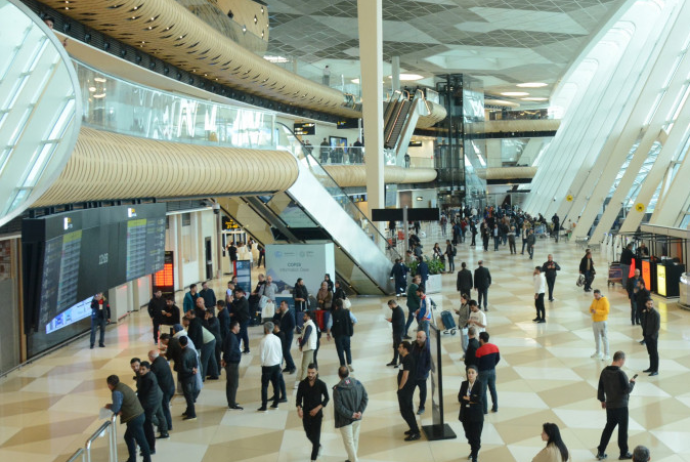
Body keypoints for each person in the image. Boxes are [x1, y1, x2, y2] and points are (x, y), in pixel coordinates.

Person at [596, 351, 636, 461]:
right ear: (621, 360)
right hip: (621, 407)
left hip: (610, 405)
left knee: (608, 428)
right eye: (624, 360)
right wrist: (632, 382)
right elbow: (627, 389)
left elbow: (600, 387)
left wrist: (603, 400)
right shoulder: (620, 373)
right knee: (622, 430)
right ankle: (623, 453)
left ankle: (601, 451)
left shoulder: (604, 371)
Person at [105, 375, 151, 462]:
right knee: (128, 437)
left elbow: (115, 408)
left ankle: (147, 459)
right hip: (140, 414)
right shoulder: (122, 386)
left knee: (141, 440)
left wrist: (109, 406)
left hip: (134, 418)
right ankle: (132, 458)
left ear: (109, 385)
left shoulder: (116, 392)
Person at [333, 366, 368, 462]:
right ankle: (351, 458)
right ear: (348, 373)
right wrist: (359, 412)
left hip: (345, 420)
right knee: (354, 439)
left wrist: (351, 414)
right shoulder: (358, 384)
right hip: (357, 417)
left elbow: (339, 407)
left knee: (349, 442)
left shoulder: (337, 389)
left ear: (339, 376)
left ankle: (353, 460)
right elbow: (365, 398)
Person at [296, 363, 330, 462]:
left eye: (312, 373)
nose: (310, 375)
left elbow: (326, 398)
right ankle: (318, 445)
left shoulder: (321, 384)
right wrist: (299, 409)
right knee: (308, 434)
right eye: (309, 372)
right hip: (306, 414)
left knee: (316, 437)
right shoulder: (302, 384)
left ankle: (313, 458)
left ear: (316, 372)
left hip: (317, 415)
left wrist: (318, 408)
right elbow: (298, 399)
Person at [136, 361, 164, 454]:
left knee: (147, 427)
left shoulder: (147, 379)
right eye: (140, 369)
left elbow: (143, 393)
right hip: (150, 404)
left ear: (148, 369)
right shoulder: (149, 376)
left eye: (143, 369)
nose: (141, 371)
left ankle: (150, 448)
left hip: (148, 406)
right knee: (147, 427)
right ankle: (149, 446)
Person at [458, 365, 484, 462]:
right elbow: (460, 398)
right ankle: (475, 448)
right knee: (468, 435)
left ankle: (475, 455)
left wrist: (467, 398)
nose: (470, 374)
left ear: (476, 374)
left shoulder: (480, 384)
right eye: (469, 372)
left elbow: (479, 399)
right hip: (466, 415)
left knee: (475, 437)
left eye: (473, 372)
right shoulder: (464, 384)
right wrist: (472, 399)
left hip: (477, 416)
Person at [396, 341, 420, 441]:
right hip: (407, 388)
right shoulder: (406, 358)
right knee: (407, 409)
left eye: (400, 347)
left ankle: (415, 432)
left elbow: (405, 375)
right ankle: (413, 428)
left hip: (406, 389)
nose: (398, 348)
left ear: (405, 348)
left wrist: (400, 388)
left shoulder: (407, 359)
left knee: (405, 410)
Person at [147, 349, 173, 436]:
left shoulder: (155, 365)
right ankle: (166, 425)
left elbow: (151, 377)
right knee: (165, 407)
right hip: (170, 386)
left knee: (164, 408)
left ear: (151, 357)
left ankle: (167, 425)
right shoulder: (161, 359)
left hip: (164, 389)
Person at [258, 321, 283, 411]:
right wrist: (280, 363)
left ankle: (264, 406)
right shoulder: (277, 339)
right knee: (276, 385)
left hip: (267, 366)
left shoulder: (263, 341)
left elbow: (261, 355)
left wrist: (262, 364)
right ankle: (276, 403)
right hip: (276, 365)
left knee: (265, 386)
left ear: (265, 329)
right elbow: (280, 353)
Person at [475, 331, 499, 414]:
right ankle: (495, 407)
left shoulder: (479, 350)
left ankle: (484, 410)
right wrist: (492, 365)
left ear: (481, 339)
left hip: (482, 373)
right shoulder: (495, 347)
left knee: (483, 391)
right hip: (492, 371)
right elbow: (497, 359)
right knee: (493, 389)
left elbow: (477, 363)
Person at [221, 320, 243, 410]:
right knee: (233, 384)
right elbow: (229, 350)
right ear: (234, 327)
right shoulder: (231, 337)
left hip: (232, 363)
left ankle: (231, 401)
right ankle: (232, 403)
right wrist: (225, 360)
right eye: (238, 326)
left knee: (232, 383)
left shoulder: (230, 336)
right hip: (231, 364)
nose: (239, 328)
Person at [177, 336, 199, 420]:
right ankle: (188, 410)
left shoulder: (183, 355)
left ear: (180, 343)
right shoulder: (192, 351)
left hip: (186, 378)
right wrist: (194, 370)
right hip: (193, 377)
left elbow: (183, 368)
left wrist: (190, 370)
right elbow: (196, 362)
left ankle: (192, 414)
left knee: (188, 396)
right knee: (190, 395)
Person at [330, 298, 355, 371]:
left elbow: (330, 324)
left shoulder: (333, 314)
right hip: (347, 334)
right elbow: (355, 320)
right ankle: (349, 363)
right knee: (347, 349)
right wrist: (350, 326)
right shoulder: (347, 312)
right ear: (342, 304)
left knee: (340, 350)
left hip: (338, 335)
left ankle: (343, 365)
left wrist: (328, 333)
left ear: (335, 305)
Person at [410, 330, 431, 415]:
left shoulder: (427, 348)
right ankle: (409, 406)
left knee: (422, 392)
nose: (418, 339)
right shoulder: (413, 344)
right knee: (409, 391)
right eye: (417, 337)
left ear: (425, 338)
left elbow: (430, 363)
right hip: (412, 374)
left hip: (422, 376)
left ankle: (421, 407)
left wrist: (424, 371)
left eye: (420, 337)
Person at [275, 300, 297, 374]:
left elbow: (293, 325)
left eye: (282, 305)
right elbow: (275, 321)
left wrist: (285, 332)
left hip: (288, 335)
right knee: (284, 351)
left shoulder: (290, 313)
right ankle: (288, 366)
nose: (280, 306)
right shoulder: (281, 313)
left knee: (286, 351)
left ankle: (292, 366)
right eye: (280, 304)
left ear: (286, 305)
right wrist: (276, 314)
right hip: (282, 336)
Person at [589, 289, 610, 361]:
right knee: (596, 338)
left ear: (600, 294)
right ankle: (598, 352)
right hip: (595, 321)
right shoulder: (594, 300)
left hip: (602, 322)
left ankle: (607, 354)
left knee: (604, 338)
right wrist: (591, 310)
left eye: (596, 295)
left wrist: (597, 311)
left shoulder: (604, 301)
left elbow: (606, 311)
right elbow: (591, 307)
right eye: (594, 295)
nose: (595, 297)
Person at [641, 299, 660, 376]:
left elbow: (657, 327)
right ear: (646, 304)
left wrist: (652, 336)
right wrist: (645, 334)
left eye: (651, 304)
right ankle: (651, 367)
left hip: (653, 337)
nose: (650, 305)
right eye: (648, 304)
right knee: (650, 353)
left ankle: (655, 370)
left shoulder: (656, 314)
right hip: (647, 336)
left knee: (654, 353)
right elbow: (644, 323)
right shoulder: (646, 313)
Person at [299, 311, 318, 382]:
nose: (303, 317)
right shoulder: (309, 324)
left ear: (308, 317)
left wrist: (301, 345)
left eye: (305, 316)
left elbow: (306, 337)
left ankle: (302, 382)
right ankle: (313, 380)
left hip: (308, 348)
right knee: (311, 365)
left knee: (304, 366)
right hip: (310, 347)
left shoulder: (309, 325)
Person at [386, 299, 406, 367]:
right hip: (396, 332)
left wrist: (391, 320)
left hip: (399, 332)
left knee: (399, 347)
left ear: (392, 304)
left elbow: (398, 322)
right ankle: (394, 361)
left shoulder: (399, 311)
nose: (389, 308)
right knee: (395, 347)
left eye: (389, 306)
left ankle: (401, 362)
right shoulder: (395, 310)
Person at [232, 287, 251, 353]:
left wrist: (231, 302)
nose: (235, 294)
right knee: (244, 334)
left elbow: (236, 309)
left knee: (239, 334)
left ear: (241, 293)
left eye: (237, 293)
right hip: (242, 319)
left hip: (244, 320)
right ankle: (247, 348)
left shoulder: (243, 300)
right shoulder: (240, 300)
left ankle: (236, 350)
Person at [634, 278, 650, 344]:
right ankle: (645, 338)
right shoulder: (639, 291)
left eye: (638, 283)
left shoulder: (646, 292)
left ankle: (646, 339)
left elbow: (648, 301)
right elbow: (635, 300)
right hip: (639, 310)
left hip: (644, 312)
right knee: (643, 326)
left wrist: (645, 309)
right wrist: (634, 293)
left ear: (642, 284)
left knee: (645, 326)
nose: (637, 284)